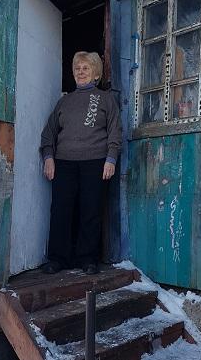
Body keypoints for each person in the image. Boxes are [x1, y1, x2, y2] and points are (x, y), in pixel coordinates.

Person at [40, 51, 122, 275]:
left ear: (95, 73)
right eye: (77, 68)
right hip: (64, 162)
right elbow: (48, 134)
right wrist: (48, 157)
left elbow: (115, 130)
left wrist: (111, 158)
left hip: (95, 161)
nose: (80, 72)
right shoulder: (64, 102)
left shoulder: (105, 99)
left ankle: (88, 258)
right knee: (60, 211)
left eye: (85, 68)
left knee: (91, 210)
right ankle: (58, 258)